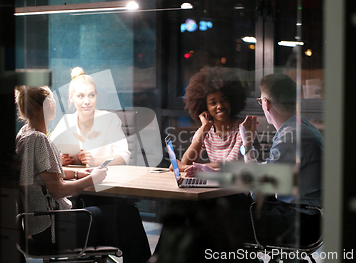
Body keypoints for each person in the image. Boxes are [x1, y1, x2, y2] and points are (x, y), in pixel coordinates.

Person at [14, 85, 150, 263]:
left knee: (121, 221)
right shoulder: (39, 139)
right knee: (127, 216)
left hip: (42, 227)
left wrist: (78, 174)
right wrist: (91, 179)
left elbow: (45, 176)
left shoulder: (24, 134)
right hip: (55, 229)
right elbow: (58, 190)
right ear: (48, 105)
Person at [235, 73, 323, 246]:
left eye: (261, 101)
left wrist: (247, 145)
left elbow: (257, 193)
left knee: (216, 221)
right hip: (303, 216)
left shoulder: (291, 136)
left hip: (299, 223)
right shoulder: (301, 128)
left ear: (266, 104)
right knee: (229, 206)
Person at [49, 67, 130, 167]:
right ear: (71, 97)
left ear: (96, 95)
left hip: (105, 178)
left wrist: (95, 161)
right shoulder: (66, 121)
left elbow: (124, 156)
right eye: (81, 96)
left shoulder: (109, 119)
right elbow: (47, 153)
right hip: (75, 179)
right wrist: (58, 159)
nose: (87, 101)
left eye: (91, 95)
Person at [177, 66, 249, 174]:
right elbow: (186, 161)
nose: (219, 106)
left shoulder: (244, 127)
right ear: (204, 107)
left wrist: (190, 167)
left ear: (232, 101)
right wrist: (204, 127)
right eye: (213, 103)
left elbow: (230, 164)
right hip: (219, 186)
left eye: (224, 100)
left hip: (243, 187)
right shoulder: (206, 130)